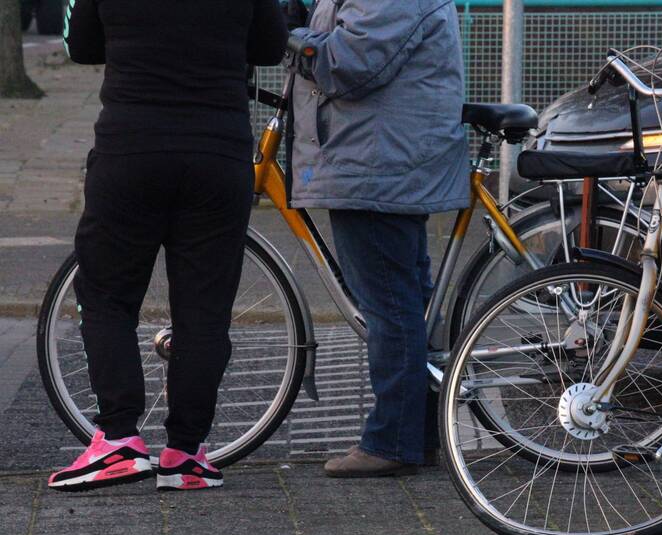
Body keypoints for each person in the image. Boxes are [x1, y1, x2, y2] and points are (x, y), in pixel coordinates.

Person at [49, 0, 288, 492]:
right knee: (205, 310)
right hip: (217, 153)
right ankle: (185, 454)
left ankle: (117, 439)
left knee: (107, 297)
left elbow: (80, 45)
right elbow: (270, 44)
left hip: (130, 149)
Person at [289, 0, 469, 477]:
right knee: (408, 305)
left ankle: (392, 441)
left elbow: (347, 64)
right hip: (381, 157)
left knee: (391, 307)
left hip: (376, 165)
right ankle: (422, 435)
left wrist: (294, 38)